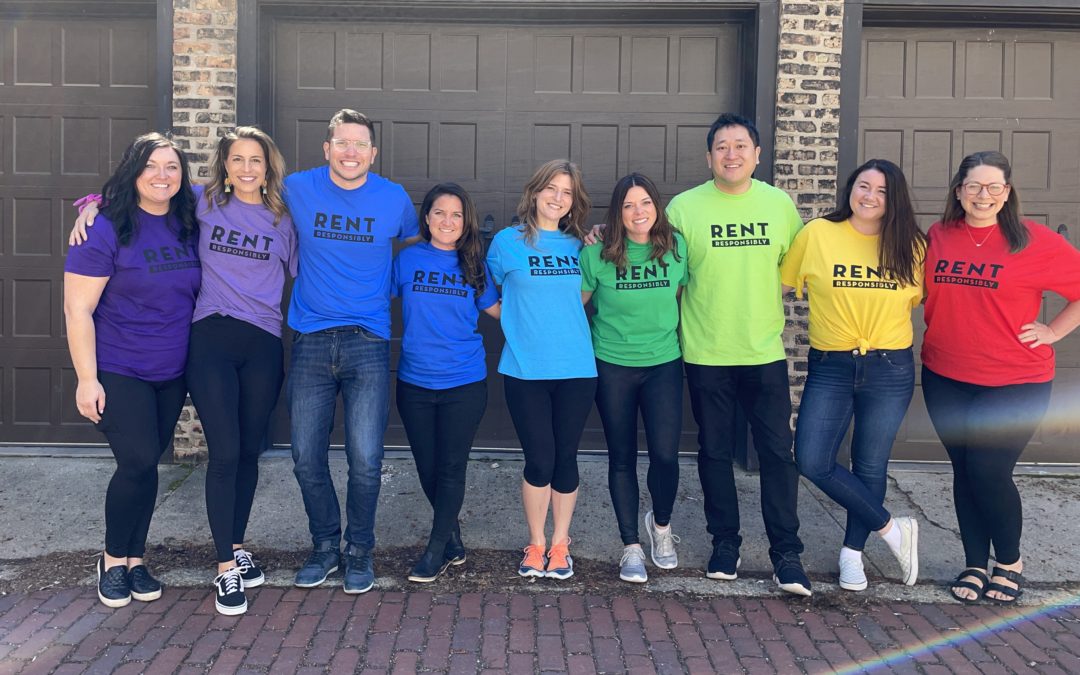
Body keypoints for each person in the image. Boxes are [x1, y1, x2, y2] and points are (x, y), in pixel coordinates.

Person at [70, 127, 299, 615]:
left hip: (205, 357)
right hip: (157, 355)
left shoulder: (223, 215)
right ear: (225, 165)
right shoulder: (178, 208)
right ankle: (133, 562)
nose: (246, 168)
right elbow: (78, 305)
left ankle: (160, 556)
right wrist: (93, 202)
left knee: (202, 456)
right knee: (154, 459)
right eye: (237, 159)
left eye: (255, 160)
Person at [922, 151, 1080, 604]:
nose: (983, 195)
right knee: (964, 471)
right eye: (973, 186)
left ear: (1007, 192)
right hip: (946, 374)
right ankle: (974, 562)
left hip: (1016, 379)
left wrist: (1053, 331)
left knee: (989, 470)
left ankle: (1008, 562)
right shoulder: (940, 236)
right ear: (958, 191)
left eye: (993, 187)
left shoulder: (1035, 240)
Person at [666, 113, 811, 596]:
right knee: (714, 452)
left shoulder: (778, 204)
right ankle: (724, 542)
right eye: (721, 147)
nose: (731, 154)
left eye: (740, 146)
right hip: (706, 353)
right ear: (709, 157)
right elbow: (657, 261)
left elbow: (795, 264)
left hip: (763, 353)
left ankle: (786, 553)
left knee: (776, 453)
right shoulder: (684, 208)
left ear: (757, 154)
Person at [64, 133, 201, 608]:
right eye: (151, 166)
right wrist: (86, 378)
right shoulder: (104, 226)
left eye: (172, 167)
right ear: (133, 170)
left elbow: (234, 192)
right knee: (138, 460)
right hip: (120, 367)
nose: (162, 176)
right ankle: (111, 558)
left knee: (146, 466)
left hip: (173, 368)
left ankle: (136, 558)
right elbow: (77, 309)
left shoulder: (190, 215)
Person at [285, 109, 419, 594]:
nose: (350, 152)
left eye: (360, 144)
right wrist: (99, 203)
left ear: (373, 153)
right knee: (305, 456)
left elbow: (426, 239)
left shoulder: (394, 198)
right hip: (311, 341)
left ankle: (359, 551)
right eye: (342, 143)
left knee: (365, 458)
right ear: (327, 148)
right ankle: (324, 546)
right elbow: (226, 193)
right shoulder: (297, 187)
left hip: (369, 343)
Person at [780, 159, 923, 592]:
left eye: (881, 191)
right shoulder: (818, 235)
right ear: (850, 189)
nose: (870, 197)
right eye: (864, 186)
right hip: (832, 365)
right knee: (811, 459)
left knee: (870, 462)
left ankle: (852, 556)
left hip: (890, 367)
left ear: (893, 199)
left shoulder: (912, 246)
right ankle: (892, 529)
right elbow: (777, 287)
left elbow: (925, 302)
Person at [486, 159, 596, 580]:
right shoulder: (506, 243)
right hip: (524, 369)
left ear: (573, 202)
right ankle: (535, 543)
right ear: (534, 193)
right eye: (551, 188)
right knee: (539, 458)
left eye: (566, 192)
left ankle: (560, 544)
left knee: (565, 458)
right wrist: (512, 319)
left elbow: (584, 296)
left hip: (576, 369)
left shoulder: (581, 247)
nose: (557, 198)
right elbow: (486, 288)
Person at [580, 173, 687, 583]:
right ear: (616, 214)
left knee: (664, 455)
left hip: (662, 363)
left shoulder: (677, 249)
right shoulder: (596, 256)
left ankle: (660, 528)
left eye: (644, 202)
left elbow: (680, 297)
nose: (637, 211)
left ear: (656, 206)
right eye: (627, 205)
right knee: (621, 456)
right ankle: (631, 547)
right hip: (611, 364)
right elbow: (575, 307)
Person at [391, 183, 501, 583]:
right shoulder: (405, 261)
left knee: (452, 467)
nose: (448, 221)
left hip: (464, 382)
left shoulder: (474, 264)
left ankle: (436, 550)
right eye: (439, 213)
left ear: (465, 221)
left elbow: (499, 311)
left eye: (456, 214)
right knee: (427, 466)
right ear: (426, 218)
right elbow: (370, 298)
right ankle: (451, 537)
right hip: (415, 382)